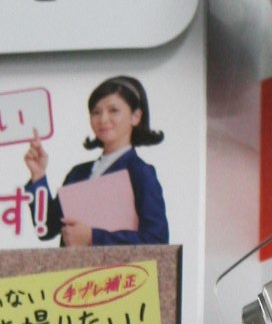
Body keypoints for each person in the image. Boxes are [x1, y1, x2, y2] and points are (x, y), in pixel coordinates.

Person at [22, 73, 167, 243]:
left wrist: (93, 237)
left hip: (114, 263)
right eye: (96, 112)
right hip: (73, 262)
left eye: (113, 110)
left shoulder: (140, 173)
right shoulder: (78, 173)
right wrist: (38, 176)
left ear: (136, 117)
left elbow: (156, 240)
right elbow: (46, 228)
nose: (103, 119)